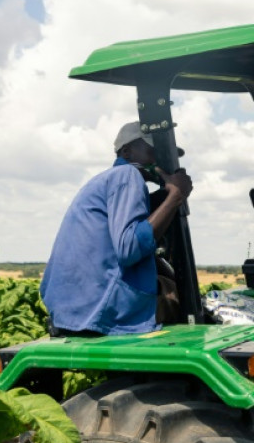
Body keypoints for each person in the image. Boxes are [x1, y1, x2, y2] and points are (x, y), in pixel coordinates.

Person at [41, 121, 193, 336]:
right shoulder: (127, 176)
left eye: (163, 154)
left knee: (169, 284)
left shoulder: (106, 180)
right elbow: (130, 248)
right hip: (99, 305)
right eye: (151, 151)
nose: (157, 159)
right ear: (126, 151)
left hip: (74, 308)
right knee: (185, 302)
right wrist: (176, 195)